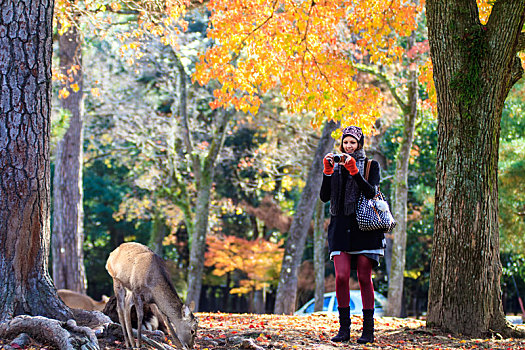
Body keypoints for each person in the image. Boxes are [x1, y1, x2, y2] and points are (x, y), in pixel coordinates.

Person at [319, 126, 385, 344]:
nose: (348, 146)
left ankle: (368, 330)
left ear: (360, 144)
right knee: (340, 276)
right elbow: (324, 197)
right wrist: (327, 173)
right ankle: (344, 328)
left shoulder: (370, 165)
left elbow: (370, 192)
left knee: (364, 277)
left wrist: (354, 171)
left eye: (353, 143)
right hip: (339, 226)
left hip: (365, 228)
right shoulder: (335, 166)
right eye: (345, 142)